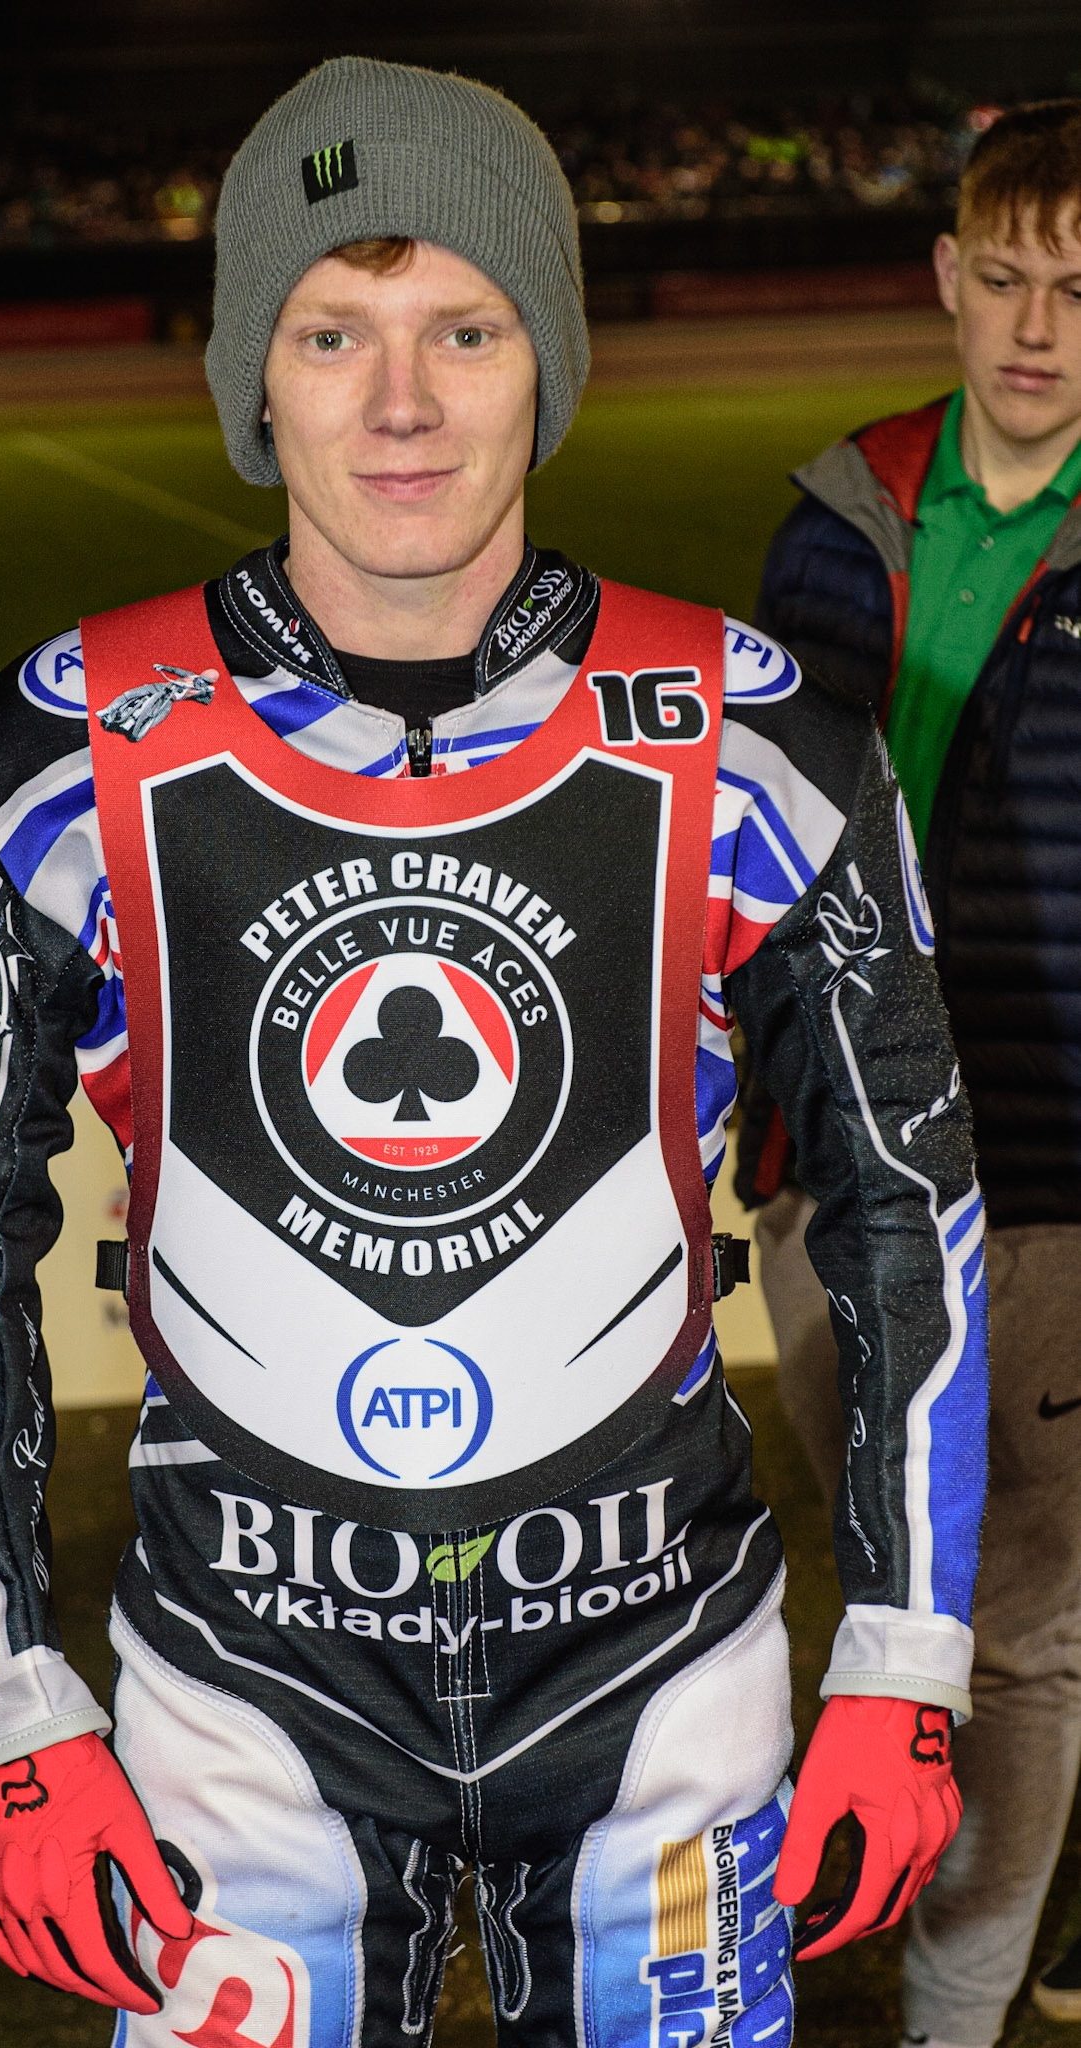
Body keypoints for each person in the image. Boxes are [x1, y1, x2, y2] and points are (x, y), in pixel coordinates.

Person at [0, 57, 985, 2047]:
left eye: (464, 329)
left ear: (547, 361)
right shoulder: (46, 753)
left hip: (665, 1677)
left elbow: (909, 1205)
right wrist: (14, 1712)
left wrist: (904, 1666)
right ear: (255, 373)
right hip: (235, 1686)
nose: (400, 403)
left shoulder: (760, 742)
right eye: (332, 334)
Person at [747, 97, 1081, 2048]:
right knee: (885, 1604)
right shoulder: (837, 516)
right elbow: (743, 845)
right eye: (1008, 279)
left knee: (1017, 1633)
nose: (1037, 327)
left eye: (1080, 292)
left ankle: (951, 2023)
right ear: (948, 276)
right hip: (836, 1169)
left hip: (1050, 1183)